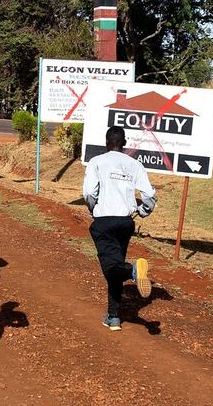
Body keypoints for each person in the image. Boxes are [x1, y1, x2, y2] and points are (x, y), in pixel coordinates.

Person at [82, 126, 155, 332]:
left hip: (104, 221)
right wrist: (142, 211)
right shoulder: (135, 164)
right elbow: (149, 195)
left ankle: (133, 270)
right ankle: (113, 317)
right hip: (125, 222)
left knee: (111, 268)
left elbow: (89, 192)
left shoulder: (97, 162)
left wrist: (92, 207)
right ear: (124, 144)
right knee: (115, 266)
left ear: (107, 143)